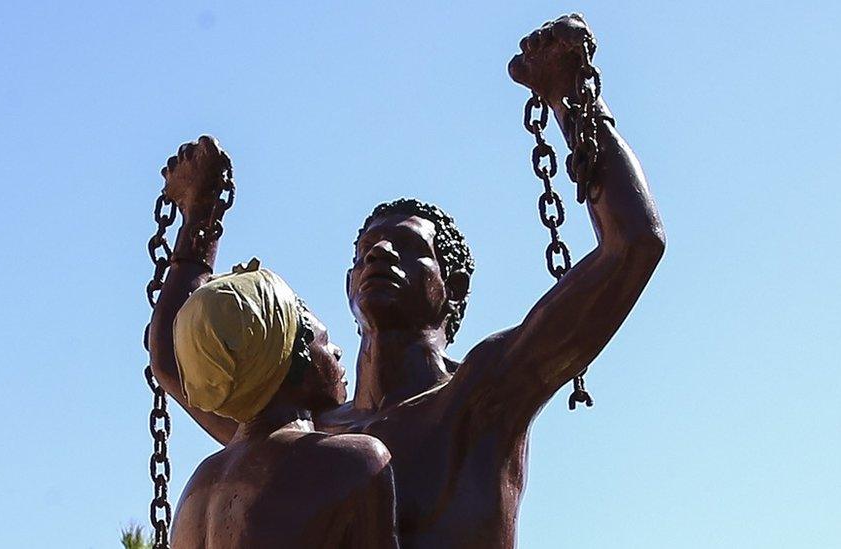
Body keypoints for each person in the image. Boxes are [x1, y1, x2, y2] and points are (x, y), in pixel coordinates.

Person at [150, 14, 665, 548]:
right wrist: (200, 217)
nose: (379, 253)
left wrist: (572, 98)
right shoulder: (305, 426)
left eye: (409, 247)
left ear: (453, 287)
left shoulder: (481, 396)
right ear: (348, 286)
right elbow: (172, 359)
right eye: (365, 250)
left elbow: (633, 246)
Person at [153, 142, 399, 549]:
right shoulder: (354, 461)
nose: (338, 352)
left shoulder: (198, 489)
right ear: (294, 353)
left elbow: (168, 354)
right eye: (323, 339)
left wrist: (199, 214)